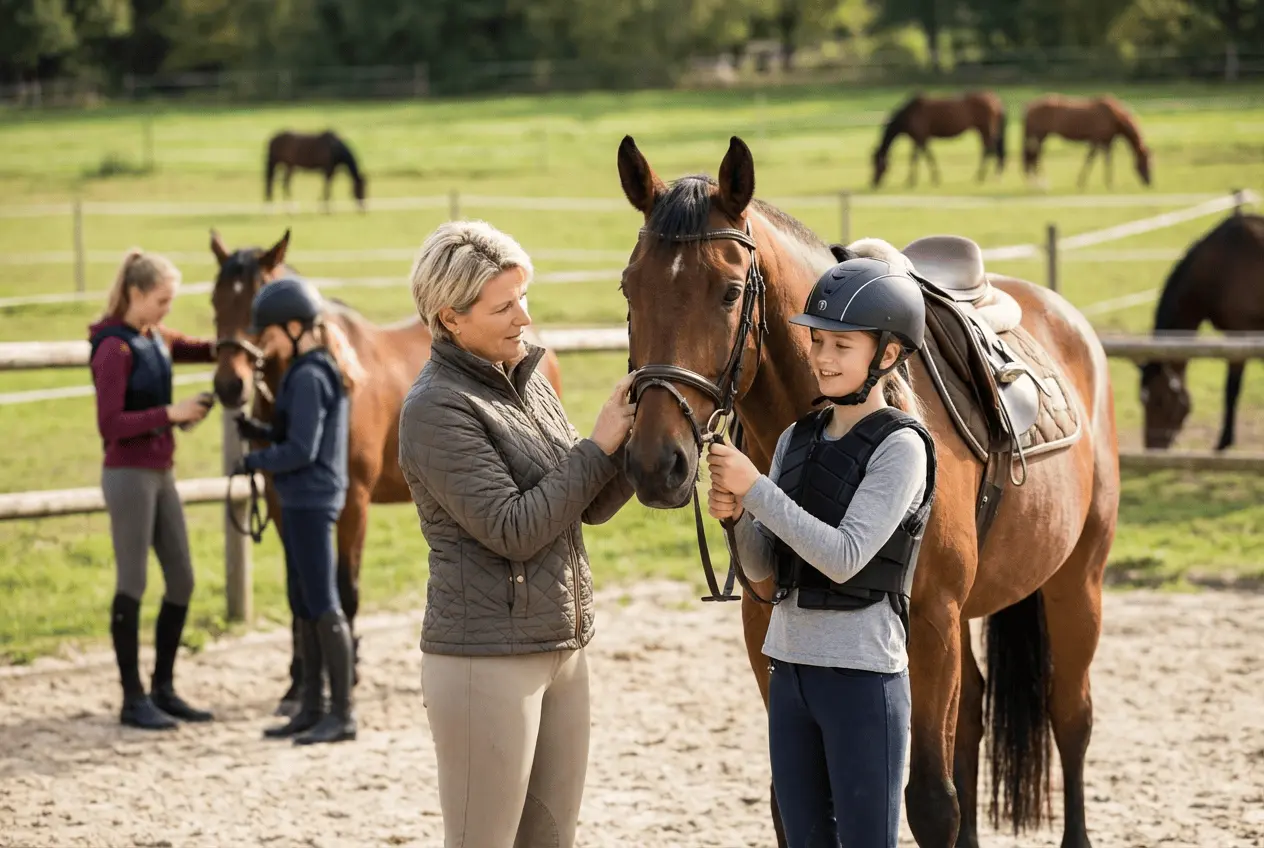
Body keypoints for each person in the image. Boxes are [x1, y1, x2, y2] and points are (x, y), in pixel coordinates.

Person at [398, 221, 636, 848]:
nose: (523, 317)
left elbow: (585, 505)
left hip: (564, 644)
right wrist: (599, 444)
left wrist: (641, 444)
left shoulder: (527, 380)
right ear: (450, 318)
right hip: (485, 663)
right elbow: (514, 529)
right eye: (503, 306)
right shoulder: (436, 408)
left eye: (523, 296)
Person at [706, 256, 937, 848]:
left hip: (863, 677)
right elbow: (764, 568)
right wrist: (737, 517)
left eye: (842, 345)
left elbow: (845, 556)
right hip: (789, 669)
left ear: (886, 355)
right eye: (817, 342)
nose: (824, 358)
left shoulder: (902, 447)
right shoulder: (795, 438)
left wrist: (756, 488)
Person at [89, 249, 219, 730]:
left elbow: (200, 347)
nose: (168, 309)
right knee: (133, 582)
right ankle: (132, 697)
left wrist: (237, 342)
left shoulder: (155, 337)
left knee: (182, 578)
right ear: (135, 294)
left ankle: (163, 687)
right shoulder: (112, 349)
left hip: (162, 472)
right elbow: (110, 423)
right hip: (128, 475)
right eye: (162, 300)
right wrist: (172, 413)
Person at [235, 276, 364, 746]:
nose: (265, 348)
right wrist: (259, 430)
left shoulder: (310, 375)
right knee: (303, 602)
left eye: (267, 337)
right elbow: (292, 435)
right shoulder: (304, 371)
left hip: (311, 498)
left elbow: (303, 450)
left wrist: (255, 458)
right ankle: (311, 706)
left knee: (323, 603)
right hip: (300, 498)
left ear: (294, 328)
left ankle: (341, 711)